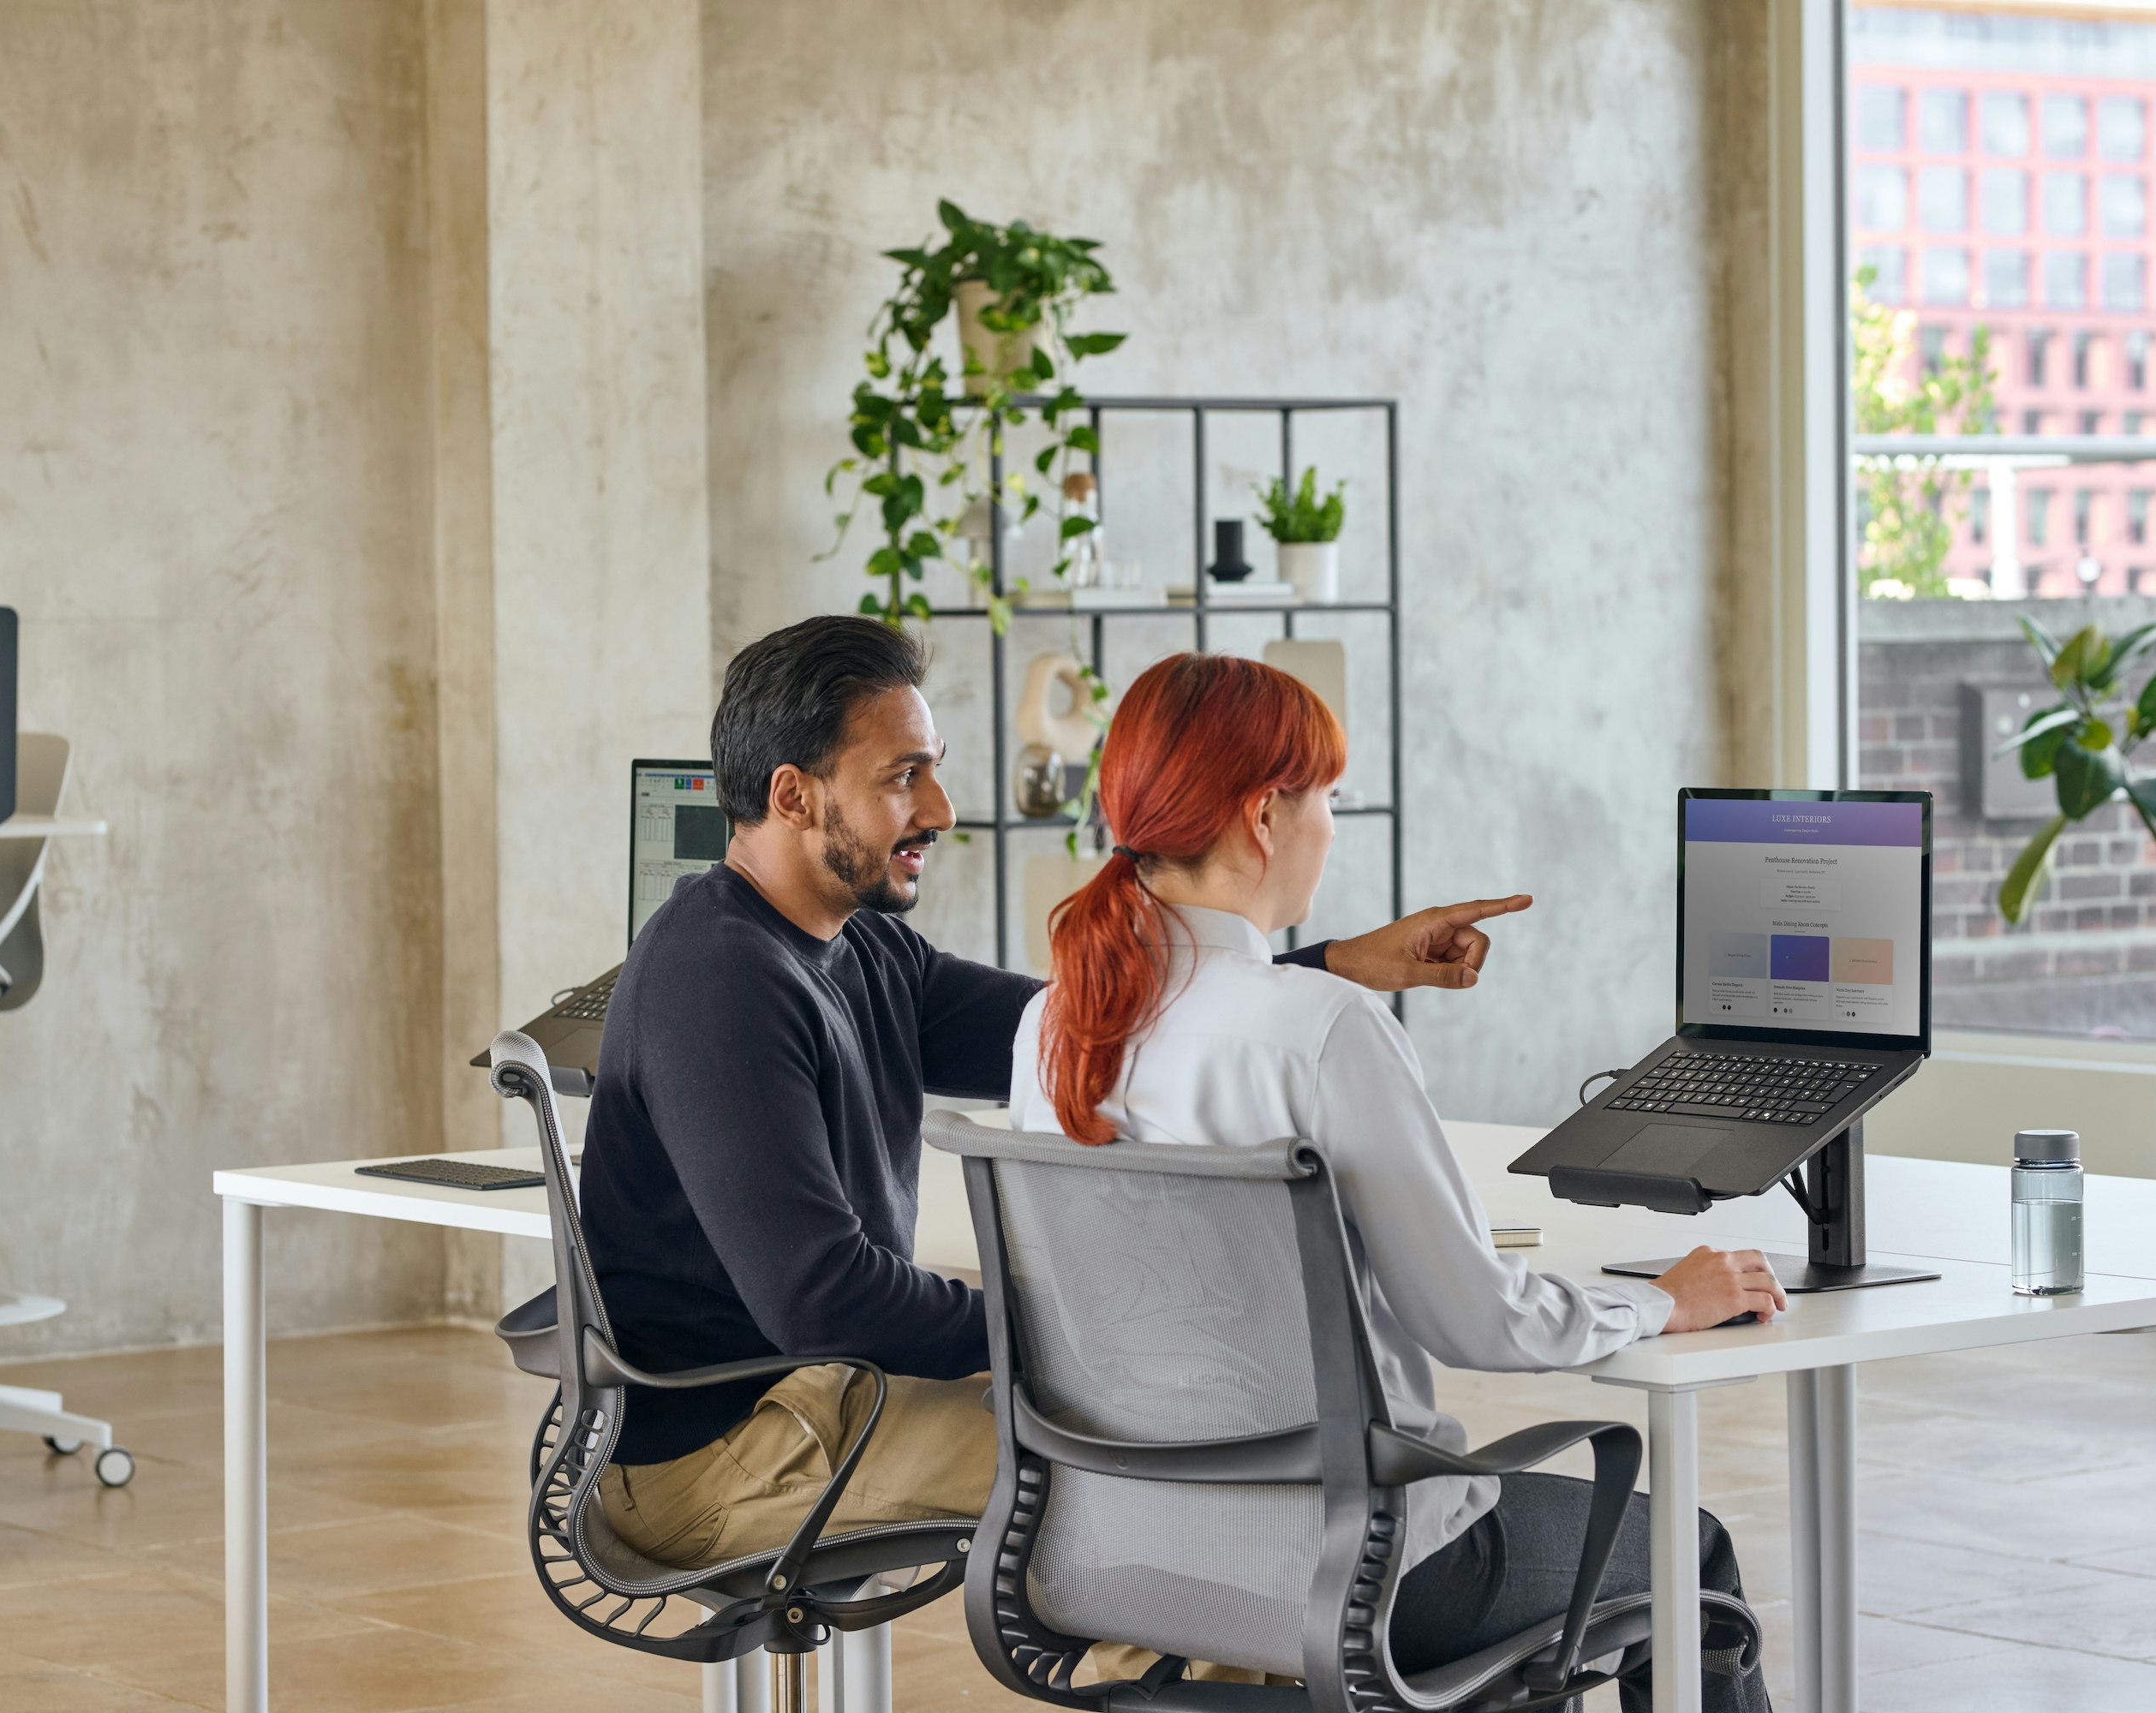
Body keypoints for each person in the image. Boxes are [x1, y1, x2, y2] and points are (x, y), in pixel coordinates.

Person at [580, 615, 1532, 1579]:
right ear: (794, 794)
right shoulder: (719, 976)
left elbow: (1089, 1022)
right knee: (1174, 1469)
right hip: (716, 1457)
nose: (942, 808)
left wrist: (1327, 966)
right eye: (904, 776)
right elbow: (822, 1298)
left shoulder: (856, 945)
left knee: (1186, 1445)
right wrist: (1078, 1320)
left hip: (822, 1396)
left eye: (935, 768)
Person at [1012, 651, 1781, 1713]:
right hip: (1363, 1575)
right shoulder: (1321, 1031)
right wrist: (1662, 1299)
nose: (1332, 823)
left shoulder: (1052, 1023)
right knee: (1692, 1554)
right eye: (1327, 796)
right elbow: (1478, 1320)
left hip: (1116, 1556)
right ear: (1264, 818)